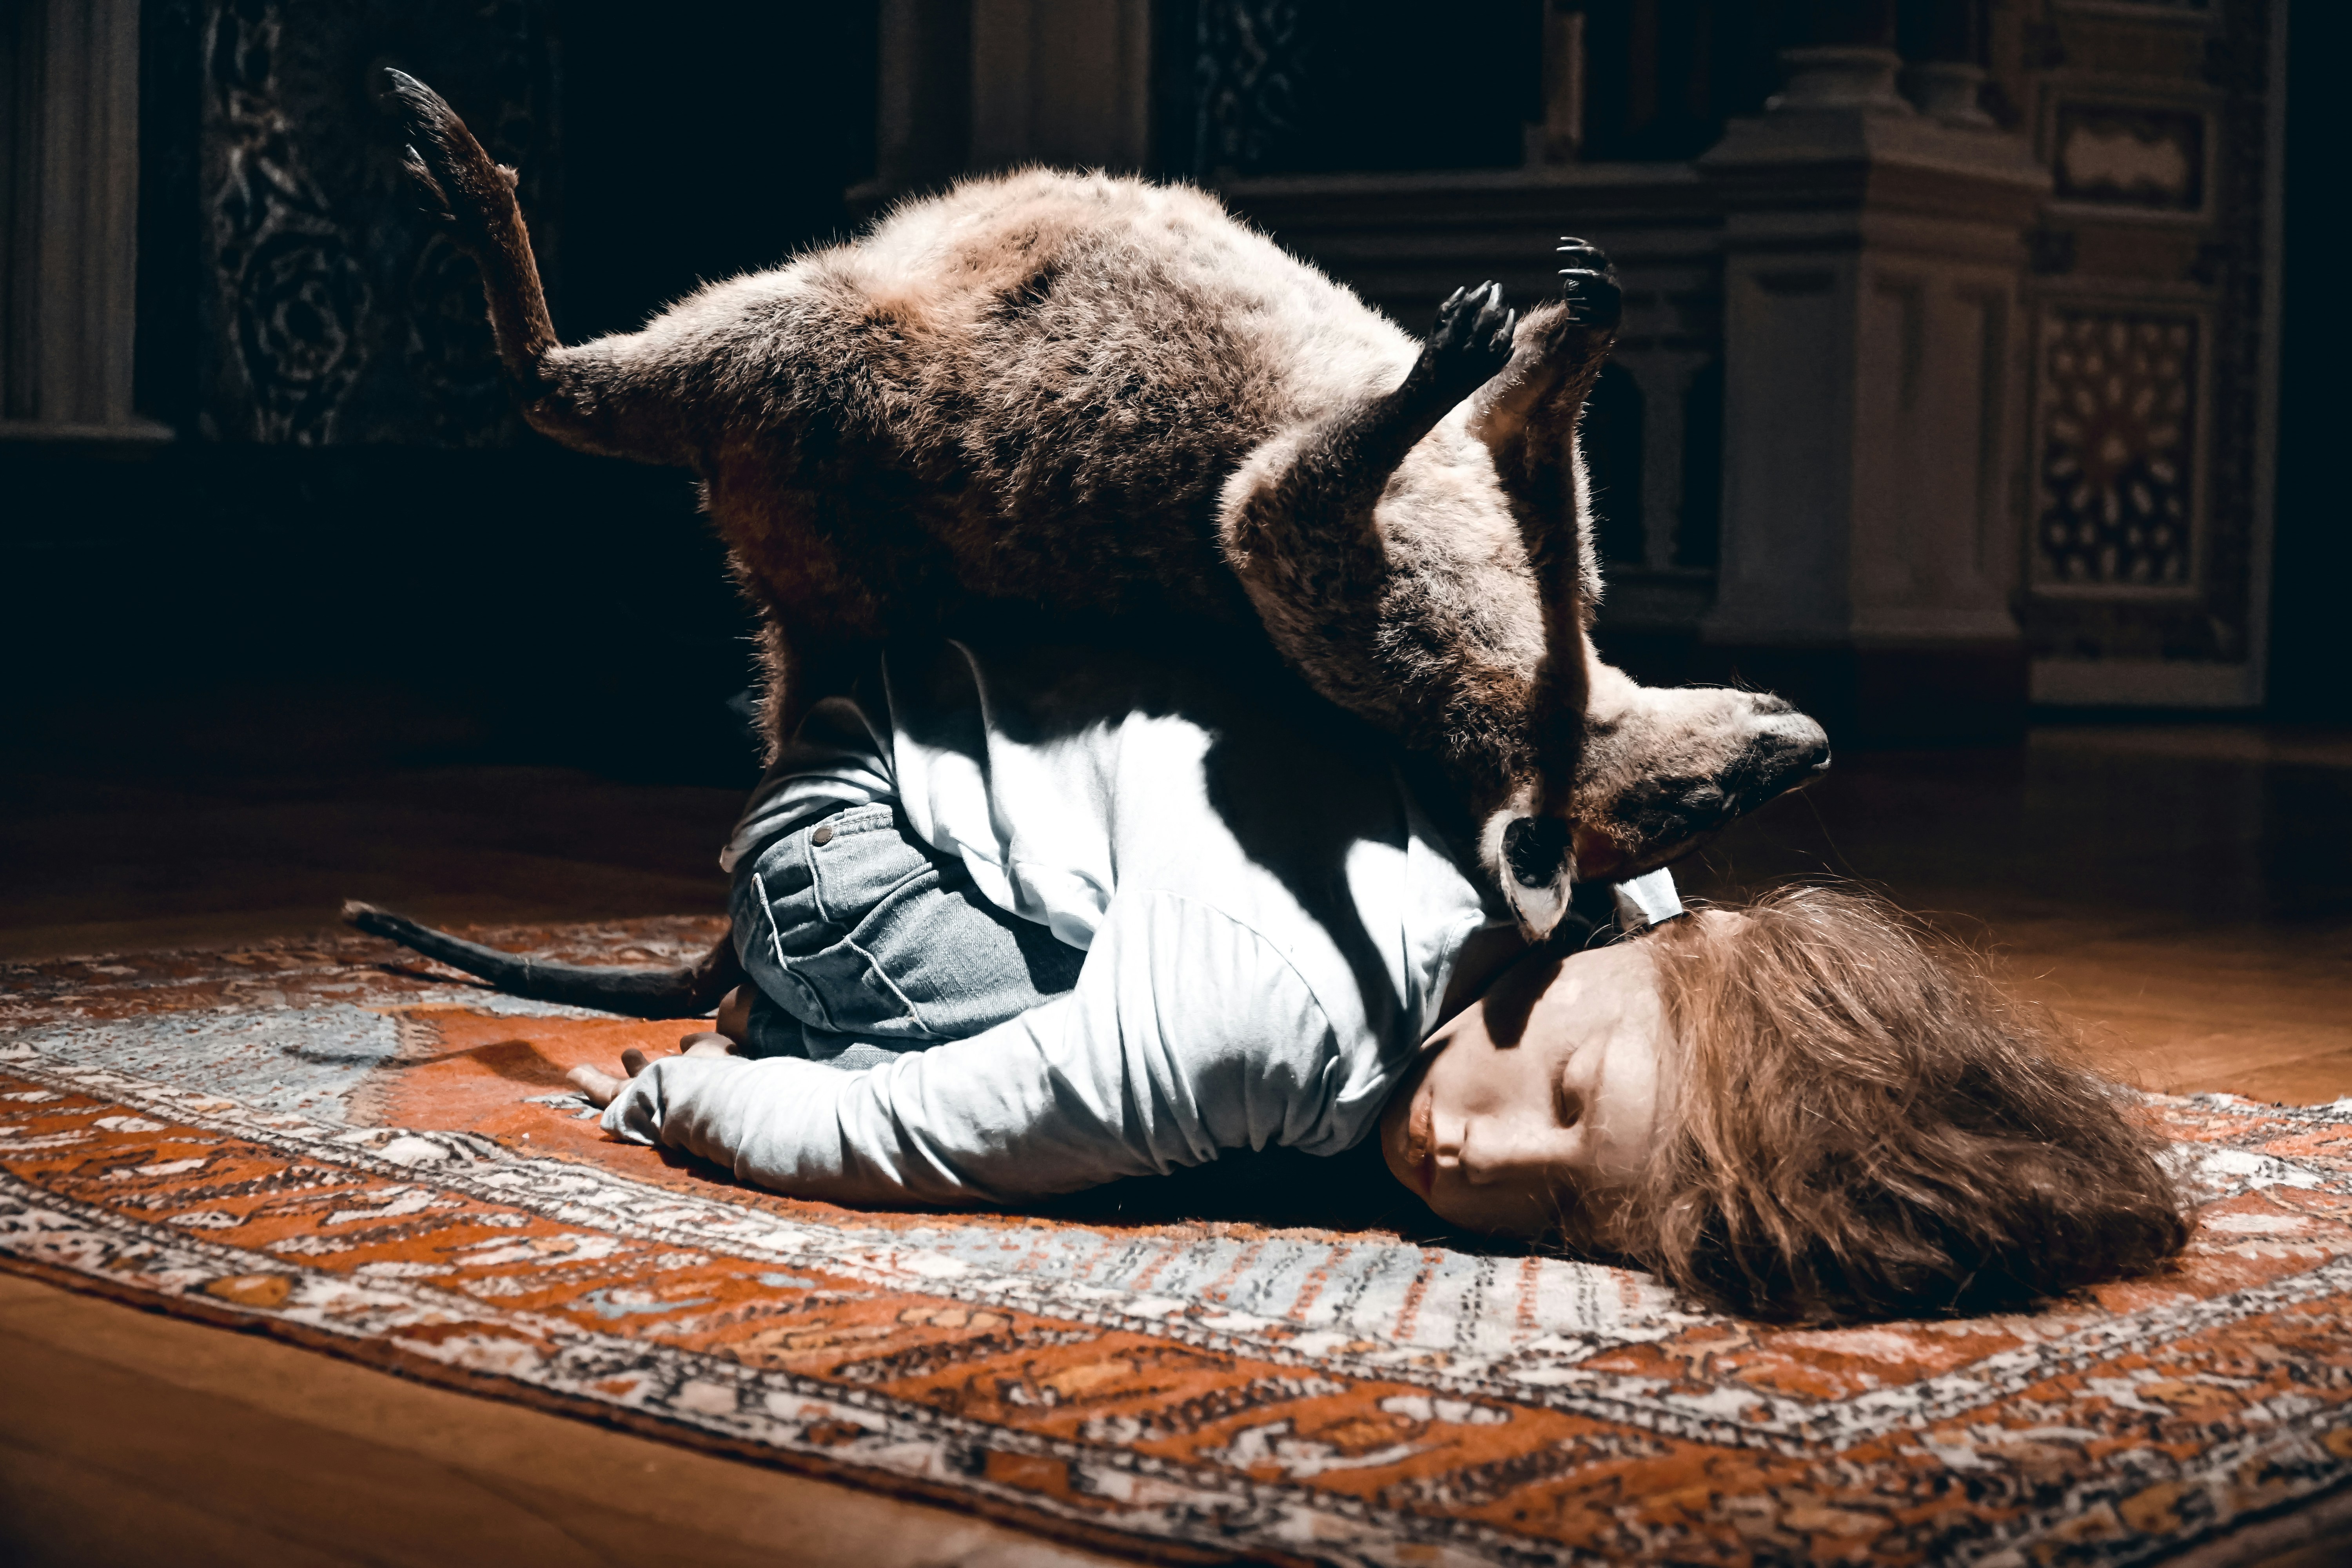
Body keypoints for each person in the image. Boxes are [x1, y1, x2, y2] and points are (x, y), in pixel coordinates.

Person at [569, 633, 2189, 1323]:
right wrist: (690, 1098)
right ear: (1654, 932)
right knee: (1125, 1129)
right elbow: (911, 1135)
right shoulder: (1258, 1008)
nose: (1483, 1157)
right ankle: (781, 995)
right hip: (858, 829)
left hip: (1120, 809)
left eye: (1563, 1214)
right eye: (1561, 1099)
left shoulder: (1630, 918)